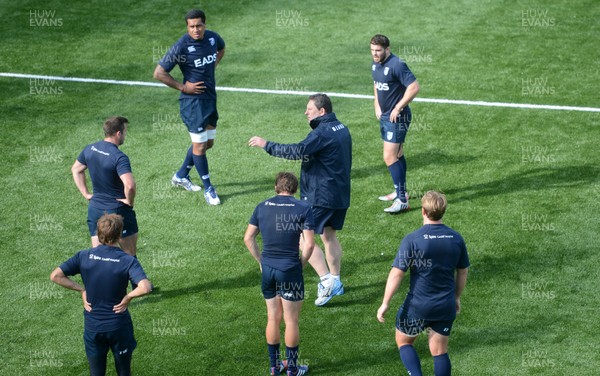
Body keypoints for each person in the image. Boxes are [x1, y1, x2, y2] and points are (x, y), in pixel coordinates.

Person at [248, 93, 352, 307]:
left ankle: (325, 281)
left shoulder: (321, 133)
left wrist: (266, 144)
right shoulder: (341, 127)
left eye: (309, 109)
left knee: (302, 238)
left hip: (320, 195)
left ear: (322, 111)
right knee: (329, 236)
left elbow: (297, 151)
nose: (306, 112)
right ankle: (336, 280)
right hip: (339, 194)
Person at [376, 191, 469, 376]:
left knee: (404, 342)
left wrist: (385, 303)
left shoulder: (413, 239)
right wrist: (456, 298)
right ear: (443, 211)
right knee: (439, 352)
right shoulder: (456, 239)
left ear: (423, 212)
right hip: (445, 306)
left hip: (417, 306)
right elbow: (462, 271)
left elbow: (397, 274)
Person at [50, 213, 152, 376]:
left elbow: (55, 276)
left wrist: (81, 290)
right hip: (118, 326)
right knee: (124, 371)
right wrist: (128, 297)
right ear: (119, 235)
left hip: (93, 326)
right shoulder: (128, 260)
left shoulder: (83, 256)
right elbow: (145, 287)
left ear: (99, 233)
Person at [244, 172, 314, 376]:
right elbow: (309, 244)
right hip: (289, 270)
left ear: (276, 187)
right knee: (291, 321)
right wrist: (300, 264)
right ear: (294, 189)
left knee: (273, 318)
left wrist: (260, 262)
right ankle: (292, 369)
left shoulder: (262, 206)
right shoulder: (303, 208)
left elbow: (248, 238)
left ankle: (274, 367)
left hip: (268, 270)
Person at [153, 8, 225, 205]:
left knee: (207, 144)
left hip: (210, 99)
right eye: (192, 26)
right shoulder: (181, 47)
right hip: (192, 104)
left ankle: (181, 175)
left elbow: (221, 48)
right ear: (187, 27)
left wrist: (212, 67)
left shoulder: (212, 38)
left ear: (205, 25)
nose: (196, 29)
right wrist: (183, 87)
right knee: (200, 146)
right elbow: (159, 73)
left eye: (199, 25)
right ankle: (209, 189)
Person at [72, 116, 138, 257]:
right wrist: (129, 201)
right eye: (125, 131)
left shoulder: (90, 148)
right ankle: (136, 280)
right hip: (117, 211)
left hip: (95, 210)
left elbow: (76, 169)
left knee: (99, 256)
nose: (125, 134)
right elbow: (130, 185)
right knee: (130, 256)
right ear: (118, 133)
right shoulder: (119, 157)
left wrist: (86, 193)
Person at [370, 34, 420, 213]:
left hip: (397, 118)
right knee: (398, 154)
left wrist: (398, 107)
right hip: (385, 117)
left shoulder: (397, 64)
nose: (375, 54)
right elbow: (377, 84)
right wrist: (376, 103)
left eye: (378, 50)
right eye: (372, 50)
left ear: (387, 49)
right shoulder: (376, 64)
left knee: (389, 157)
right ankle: (402, 192)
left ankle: (401, 200)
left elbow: (414, 87)